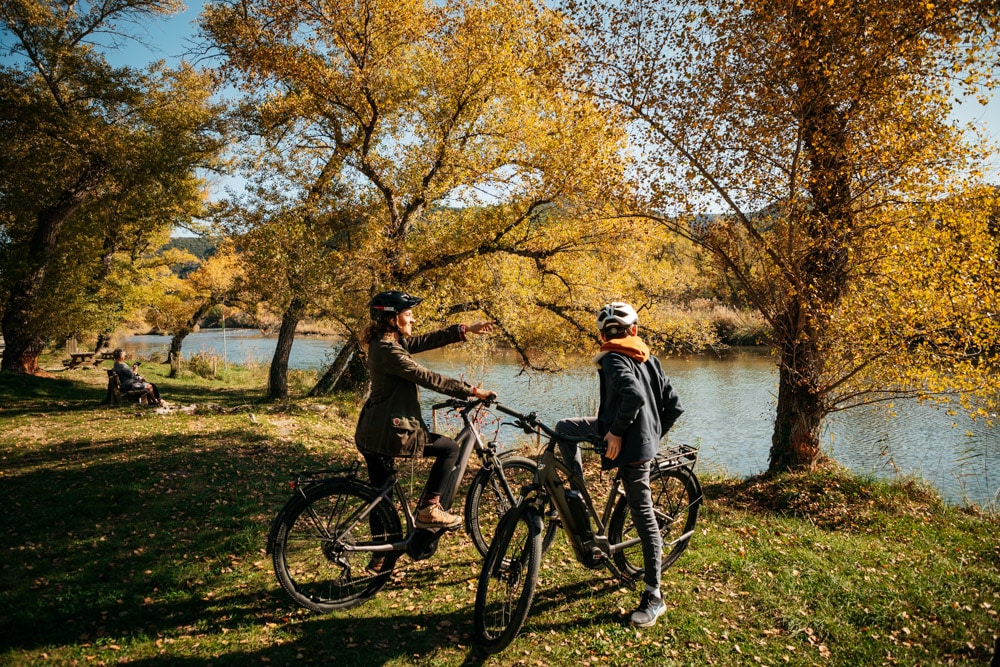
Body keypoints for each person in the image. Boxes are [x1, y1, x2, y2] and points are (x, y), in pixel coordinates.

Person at [554, 301, 684, 628]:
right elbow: (674, 406)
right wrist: (651, 435)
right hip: (630, 437)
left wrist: (618, 433)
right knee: (565, 429)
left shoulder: (613, 356)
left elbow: (634, 397)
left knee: (643, 514)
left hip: (627, 442)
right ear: (635, 330)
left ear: (601, 335)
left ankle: (654, 596)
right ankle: (577, 494)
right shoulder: (648, 357)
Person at [354, 290, 496, 530]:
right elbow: (429, 378)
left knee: (381, 499)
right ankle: (429, 509)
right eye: (408, 314)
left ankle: (379, 561)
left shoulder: (387, 343)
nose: (412, 319)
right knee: (450, 449)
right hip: (388, 432)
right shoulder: (390, 352)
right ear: (392, 319)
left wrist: (465, 330)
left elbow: (425, 341)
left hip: (373, 430)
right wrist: (472, 391)